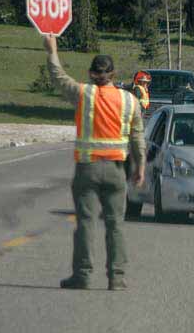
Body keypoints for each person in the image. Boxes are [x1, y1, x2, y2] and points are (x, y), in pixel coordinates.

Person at [43, 35, 146, 291]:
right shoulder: (129, 101)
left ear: (91, 73)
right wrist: (140, 167)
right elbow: (137, 137)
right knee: (115, 225)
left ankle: (83, 275)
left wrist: (52, 50)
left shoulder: (83, 94)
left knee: (87, 222)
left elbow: (58, 77)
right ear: (113, 74)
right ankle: (117, 277)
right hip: (116, 171)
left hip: (88, 169)